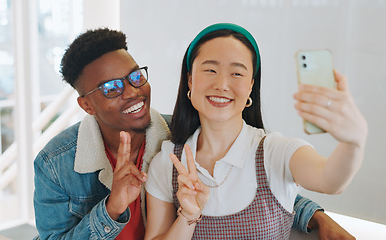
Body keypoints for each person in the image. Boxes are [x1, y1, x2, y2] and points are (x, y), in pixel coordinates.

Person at [33, 28, 357, 239]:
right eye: (112, 88)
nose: (132, 93)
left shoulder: (180, 131)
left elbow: (251, 174)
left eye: (135, 77)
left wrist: (314, 216)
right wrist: (112, 208)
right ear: (87, 105)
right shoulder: (54, 164)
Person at [144, 23, 367, 239]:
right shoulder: (168, 162)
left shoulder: (275, 151)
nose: (222, 84)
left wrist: (353, 142)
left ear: (251, 85)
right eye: (210, 70)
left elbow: (330, 181)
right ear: (190, 80)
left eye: (237, 74)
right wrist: (188, 217)